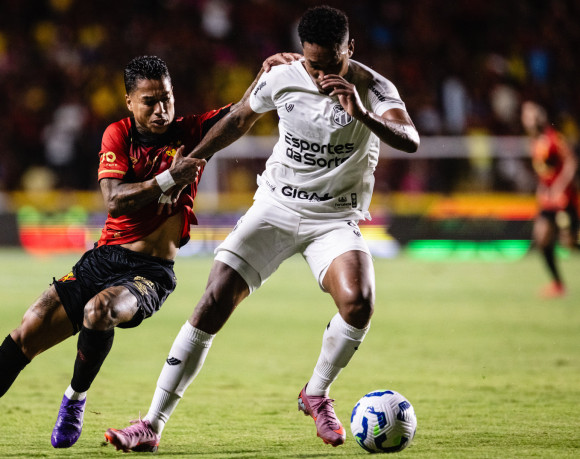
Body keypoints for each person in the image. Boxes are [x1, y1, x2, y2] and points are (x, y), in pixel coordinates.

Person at [0, 54, 297, 449]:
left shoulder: (191, 132)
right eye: (150, 101)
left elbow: (243, 113)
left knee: (99, 312)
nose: (161, 109)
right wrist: (168, 178)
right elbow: (115, 200)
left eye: (167, 98)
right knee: (25, 332)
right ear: (129, 102)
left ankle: (74, 399)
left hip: (150, 271)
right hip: (103, 258)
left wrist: (263, 74)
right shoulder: (117, 134)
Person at [105, 5, 419, 452]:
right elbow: (236, 119)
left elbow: (410, 139)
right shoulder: (285, 75)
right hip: (275, 207)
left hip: (333, 218)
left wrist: (361, 112)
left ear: (351, 49)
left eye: (331, 64)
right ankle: (151, 424)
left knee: (360, 303)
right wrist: (191, 161)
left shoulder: (374, 88)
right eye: (312, 63)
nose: (319, 74)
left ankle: (315, 393)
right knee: (213, 301)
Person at [520, 101, 579, 298]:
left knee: (570, 243)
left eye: (528, 115)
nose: (525, 119)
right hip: (549, 200)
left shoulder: (553, 139)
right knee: (542, 237)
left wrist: (559, 187)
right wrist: (542, 189)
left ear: (538, 118)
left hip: (564, 198)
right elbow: (545, 173)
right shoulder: (535, 142)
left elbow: (571, 162)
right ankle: (558, 284)